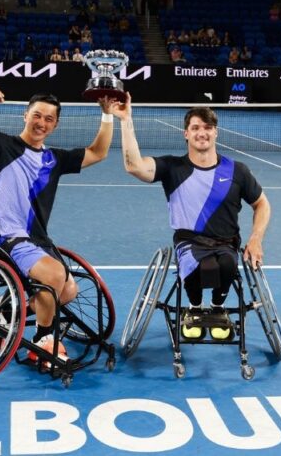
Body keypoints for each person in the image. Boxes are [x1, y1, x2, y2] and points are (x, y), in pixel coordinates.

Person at [0, 88, 122, 365]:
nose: (41, 123)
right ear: (25, 115)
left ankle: (6, 312)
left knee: (69, 291)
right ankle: (43, 339)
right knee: (53, 275)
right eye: (37, 115)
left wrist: (107, 115)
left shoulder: (55, 160)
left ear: (55, 125)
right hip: (6, 238)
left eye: (49, 119)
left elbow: (98, 153)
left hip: (38, 240)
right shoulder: (2, 146)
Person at [116, 97, 271, 341]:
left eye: (207, 128)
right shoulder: (172, 167)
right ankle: (195, 308)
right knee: (203, 266)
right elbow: (134, 166)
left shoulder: (237, 170)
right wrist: (125, 120)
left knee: (229, 265)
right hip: (189, 243)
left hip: (226, 243)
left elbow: (262, 203)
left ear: (216, 133)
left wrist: (256, 238)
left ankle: (218, 309)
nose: (202, 133)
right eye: (196, 128)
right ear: (185, 134)